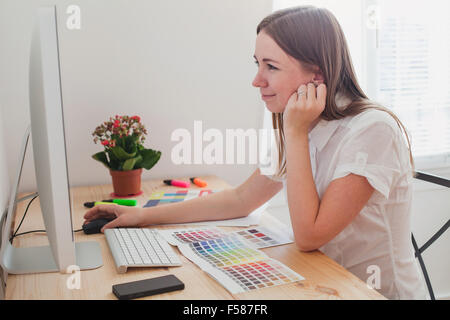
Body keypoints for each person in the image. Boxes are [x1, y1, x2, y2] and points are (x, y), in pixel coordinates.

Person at [84, 6, 427, 300]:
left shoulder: (370, 129)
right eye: (257, 63)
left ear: (316, 73)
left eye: (271, 67)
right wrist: (141, 217)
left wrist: (294, 132)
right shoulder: (301, 120)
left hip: (368, 293)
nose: (256, 80)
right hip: (322, 282)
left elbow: (308, 236)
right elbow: (240, 199)